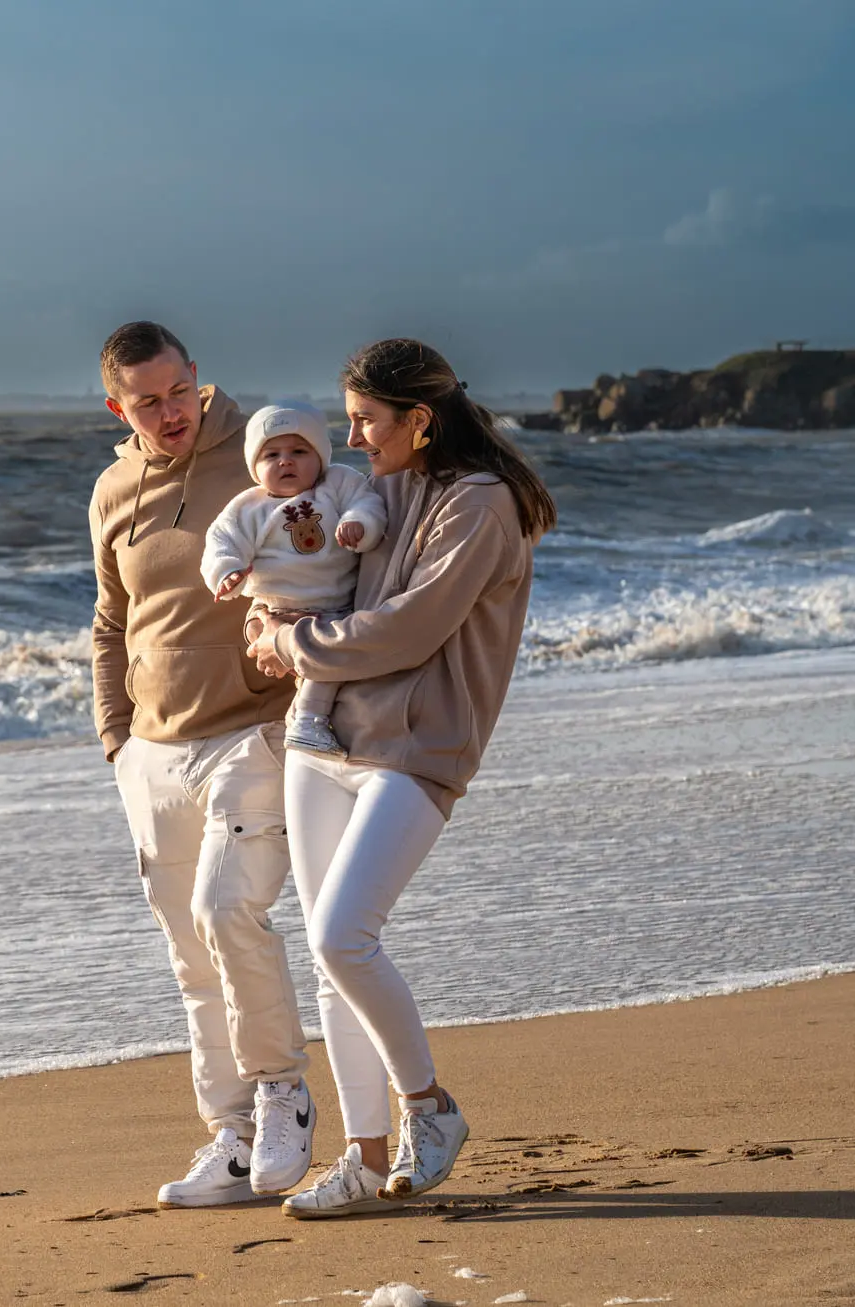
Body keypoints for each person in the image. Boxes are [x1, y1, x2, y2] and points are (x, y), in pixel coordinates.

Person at [242, 338, 558, 1219]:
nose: (351, 438)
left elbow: (410, 629)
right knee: (330, 961)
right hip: (322, 738)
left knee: (344, 935)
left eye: (365, 420)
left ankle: (429, 1106)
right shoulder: (380, 487)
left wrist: (291, 642)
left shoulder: (481, 503)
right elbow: (310, 564)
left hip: (418, 750)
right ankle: (363, 1155)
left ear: (419, 419)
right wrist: (265, 613)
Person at [90, 321, 317, 1207]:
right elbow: (111, 621)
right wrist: (117, 739)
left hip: (252, 733)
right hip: (153, 751)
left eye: (180, 390)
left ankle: (282, 1094)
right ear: (119, 408)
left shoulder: (258, 456)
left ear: (197, 377)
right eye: (148, 401)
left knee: (229, 914)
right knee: (189, 951)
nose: (171, 411)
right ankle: (230, 1133)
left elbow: (335, 558)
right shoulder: (113, 489)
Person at [200, 403, 387, 756]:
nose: (285, 462)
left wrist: (359, 524)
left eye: (299, 452)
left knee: (325, 657)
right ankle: (308, 720)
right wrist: (227, 573)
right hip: (270, 609)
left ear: (320, 456)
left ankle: (305, 720)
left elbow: (368, 504)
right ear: (254, 465)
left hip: (331, 606)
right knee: (311, 656)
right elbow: (221, 542)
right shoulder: (247, 507)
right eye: (271, 455)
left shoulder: (338, 482)